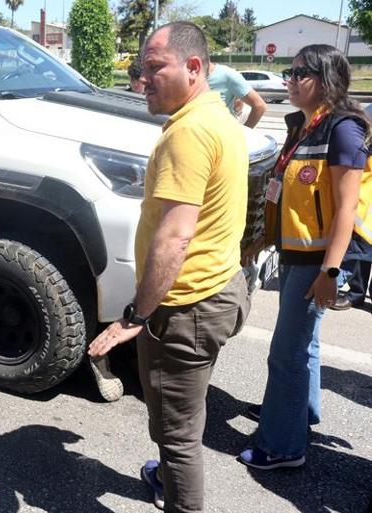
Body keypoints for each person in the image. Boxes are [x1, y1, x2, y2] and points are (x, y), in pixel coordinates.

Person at [88, 21, 250, 513]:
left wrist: (136, 316)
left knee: (178, 438)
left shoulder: (190, 133)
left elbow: (175, 237)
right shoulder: (219, 117)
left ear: (194, 68)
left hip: (186, 308)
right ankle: (165, 478)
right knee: (184, 413)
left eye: (155, 68)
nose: (142, 80)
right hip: (223, 287)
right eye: (140, 69)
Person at [238, 44, 372, 470]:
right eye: (288, 72)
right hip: (295, 252)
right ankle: (297, 412)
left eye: (299, 74)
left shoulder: (343, 130)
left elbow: (346, 209)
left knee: (287, 352)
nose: (288, 81)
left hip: (317, 259)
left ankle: (282, 446)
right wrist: (263, 238)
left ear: (326, 78)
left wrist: (332, 271)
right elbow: (288, 193)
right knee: (303, 345)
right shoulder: (306, 126)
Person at [207, 62, 266, 128]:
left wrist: (245, 133)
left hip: (223, 134)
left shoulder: (227, 74)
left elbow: (259, 106)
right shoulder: (196, 77)